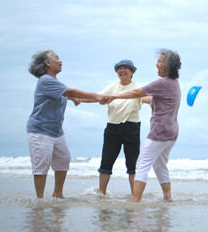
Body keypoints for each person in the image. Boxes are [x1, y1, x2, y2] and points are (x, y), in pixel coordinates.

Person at [27, 49, 107, 199]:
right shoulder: (45, 80)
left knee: (64, 160)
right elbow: (70, 92)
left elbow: (65, 94)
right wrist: (96, 95)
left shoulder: (55, 82)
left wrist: (77, 99)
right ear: (47, 63)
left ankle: (58, 194)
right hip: (40, 130)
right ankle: (39, 199)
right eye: (57, 58)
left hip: (57, 131)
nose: (60, 61)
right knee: (41, 166)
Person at [104, 49, 182, 203]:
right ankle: (167, 198)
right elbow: (153, 100)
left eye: (159, 61)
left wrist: (114, 96)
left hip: (160, 132)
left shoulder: (163, 82)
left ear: (167, 66)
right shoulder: (174, 83)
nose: (157, 64)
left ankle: (135, 203)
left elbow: (136, 93)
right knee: (160, 166)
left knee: (141, 166)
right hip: (172, 133)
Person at [79, 59, 150, 195]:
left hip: (131, 128)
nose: (122, 71)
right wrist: (80, 99)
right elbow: (96, 98)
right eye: (119, 68)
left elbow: (145, 98)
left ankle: (134, 197)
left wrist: (151, 101)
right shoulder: (112, 87)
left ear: (132, 72)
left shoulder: (138, 87)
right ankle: (101, 193)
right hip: (112, 128)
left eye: (126, 68)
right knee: (106, 162)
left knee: (133, 165)